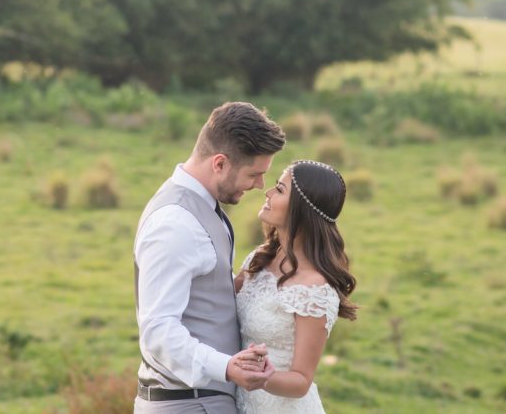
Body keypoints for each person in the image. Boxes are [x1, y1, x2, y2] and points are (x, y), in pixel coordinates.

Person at [134, 101, 287, 412]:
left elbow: (202, 288)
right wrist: (227, 367)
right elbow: (158, 330)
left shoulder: (203, 207)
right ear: (219, 163)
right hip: (189, 403)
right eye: (253, 174)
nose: (260, 185)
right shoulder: (175, 224)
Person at [232, 159, 358, 414]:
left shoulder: (314, 289)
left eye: (279, 189)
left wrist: (264, 377)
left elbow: (301, 380)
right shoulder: (261, 257)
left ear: (302, 209)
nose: (267, 193)